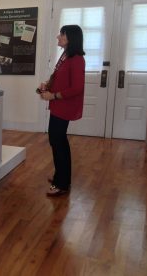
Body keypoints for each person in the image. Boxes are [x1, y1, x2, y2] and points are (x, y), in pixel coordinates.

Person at [38, 25, 85, 197]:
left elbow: (77, 87)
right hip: (58, 105)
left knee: (58, 142)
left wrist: (54, 96)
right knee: (57, 141)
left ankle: (62, 183)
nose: (58, 37)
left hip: (64, 105)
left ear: (70, 38)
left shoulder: (77, 58)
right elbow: (58, 77)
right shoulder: (65, 55)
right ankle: (61, 176)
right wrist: (47, 85)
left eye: (62, 34)